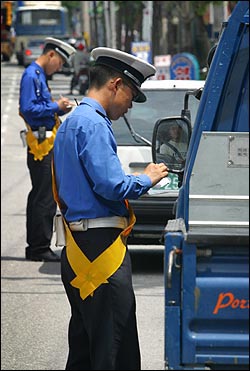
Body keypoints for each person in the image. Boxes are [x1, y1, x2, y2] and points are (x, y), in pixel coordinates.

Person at [52, 47, 169, 370]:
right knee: (114, 348)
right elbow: (111, 185)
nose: (130, 105)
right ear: (115, 84)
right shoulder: (93, 123)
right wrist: (147, 178)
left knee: (87, 346)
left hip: (79, 247)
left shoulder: (73, 120)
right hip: (100, 246)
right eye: (131, 95)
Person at [19, 37, 76, 262]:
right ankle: (38, 247)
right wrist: (56, 106)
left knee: (42, 196)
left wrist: (59, 109)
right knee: (43, 198)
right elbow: (28, 109)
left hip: (46, 144)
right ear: (51, 54)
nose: (59, 68)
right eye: (60, 62)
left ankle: (37, 245)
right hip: (40, 147)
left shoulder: (39, 75)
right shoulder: (31, 75)